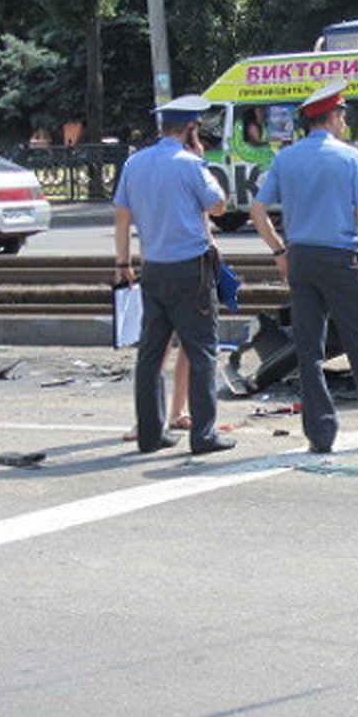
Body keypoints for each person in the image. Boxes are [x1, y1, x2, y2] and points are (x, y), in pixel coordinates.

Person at [250, 79, 358, 453]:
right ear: (331, 117)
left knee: (309, 350)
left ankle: (320, 434)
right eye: (342, 115)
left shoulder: (286, 157)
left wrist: (279, 252)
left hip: (300, 259)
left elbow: (258, 210)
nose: (345, 122)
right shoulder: (349, 158)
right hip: (337, 260)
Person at [112, 94, 234, 455]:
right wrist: (202, 163)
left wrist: (123, 263)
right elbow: (219, 206)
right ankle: (204, 435)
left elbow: (122, 214)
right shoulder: (190, 164)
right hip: (191, 269)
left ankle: (150, 435)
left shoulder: (135, 163)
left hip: (153, 269)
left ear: (163, 127)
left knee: (150, 354)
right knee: (202, 352)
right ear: (190, 128)